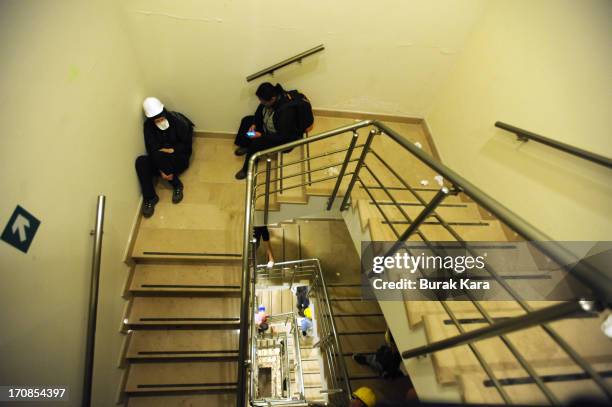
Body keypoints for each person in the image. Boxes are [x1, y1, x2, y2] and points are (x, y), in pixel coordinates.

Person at [234, 82, 313, 180]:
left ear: (272, 99)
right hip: (269, 128)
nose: (261, 102)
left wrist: (260, 136)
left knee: (256, 143)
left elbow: (283, 136)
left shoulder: (285, 113)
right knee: (246, 121)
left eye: (263, 101)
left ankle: (247, 168)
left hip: (282, 138)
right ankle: (246, 145)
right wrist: (254, 124)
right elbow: (259, 111)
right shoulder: (270, 97)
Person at [135, 97, 194, 217]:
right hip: (160, 161)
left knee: (160, 154)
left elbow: (187, 145)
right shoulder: (148, 127)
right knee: (141, 161)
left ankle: (176, 184)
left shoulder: (178, 121)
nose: (160, 121)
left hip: (178, 158)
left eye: (161, 117)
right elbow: (152, 148)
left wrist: (172, 150)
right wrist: (161, 168)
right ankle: (150, 198)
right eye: (156, 120)